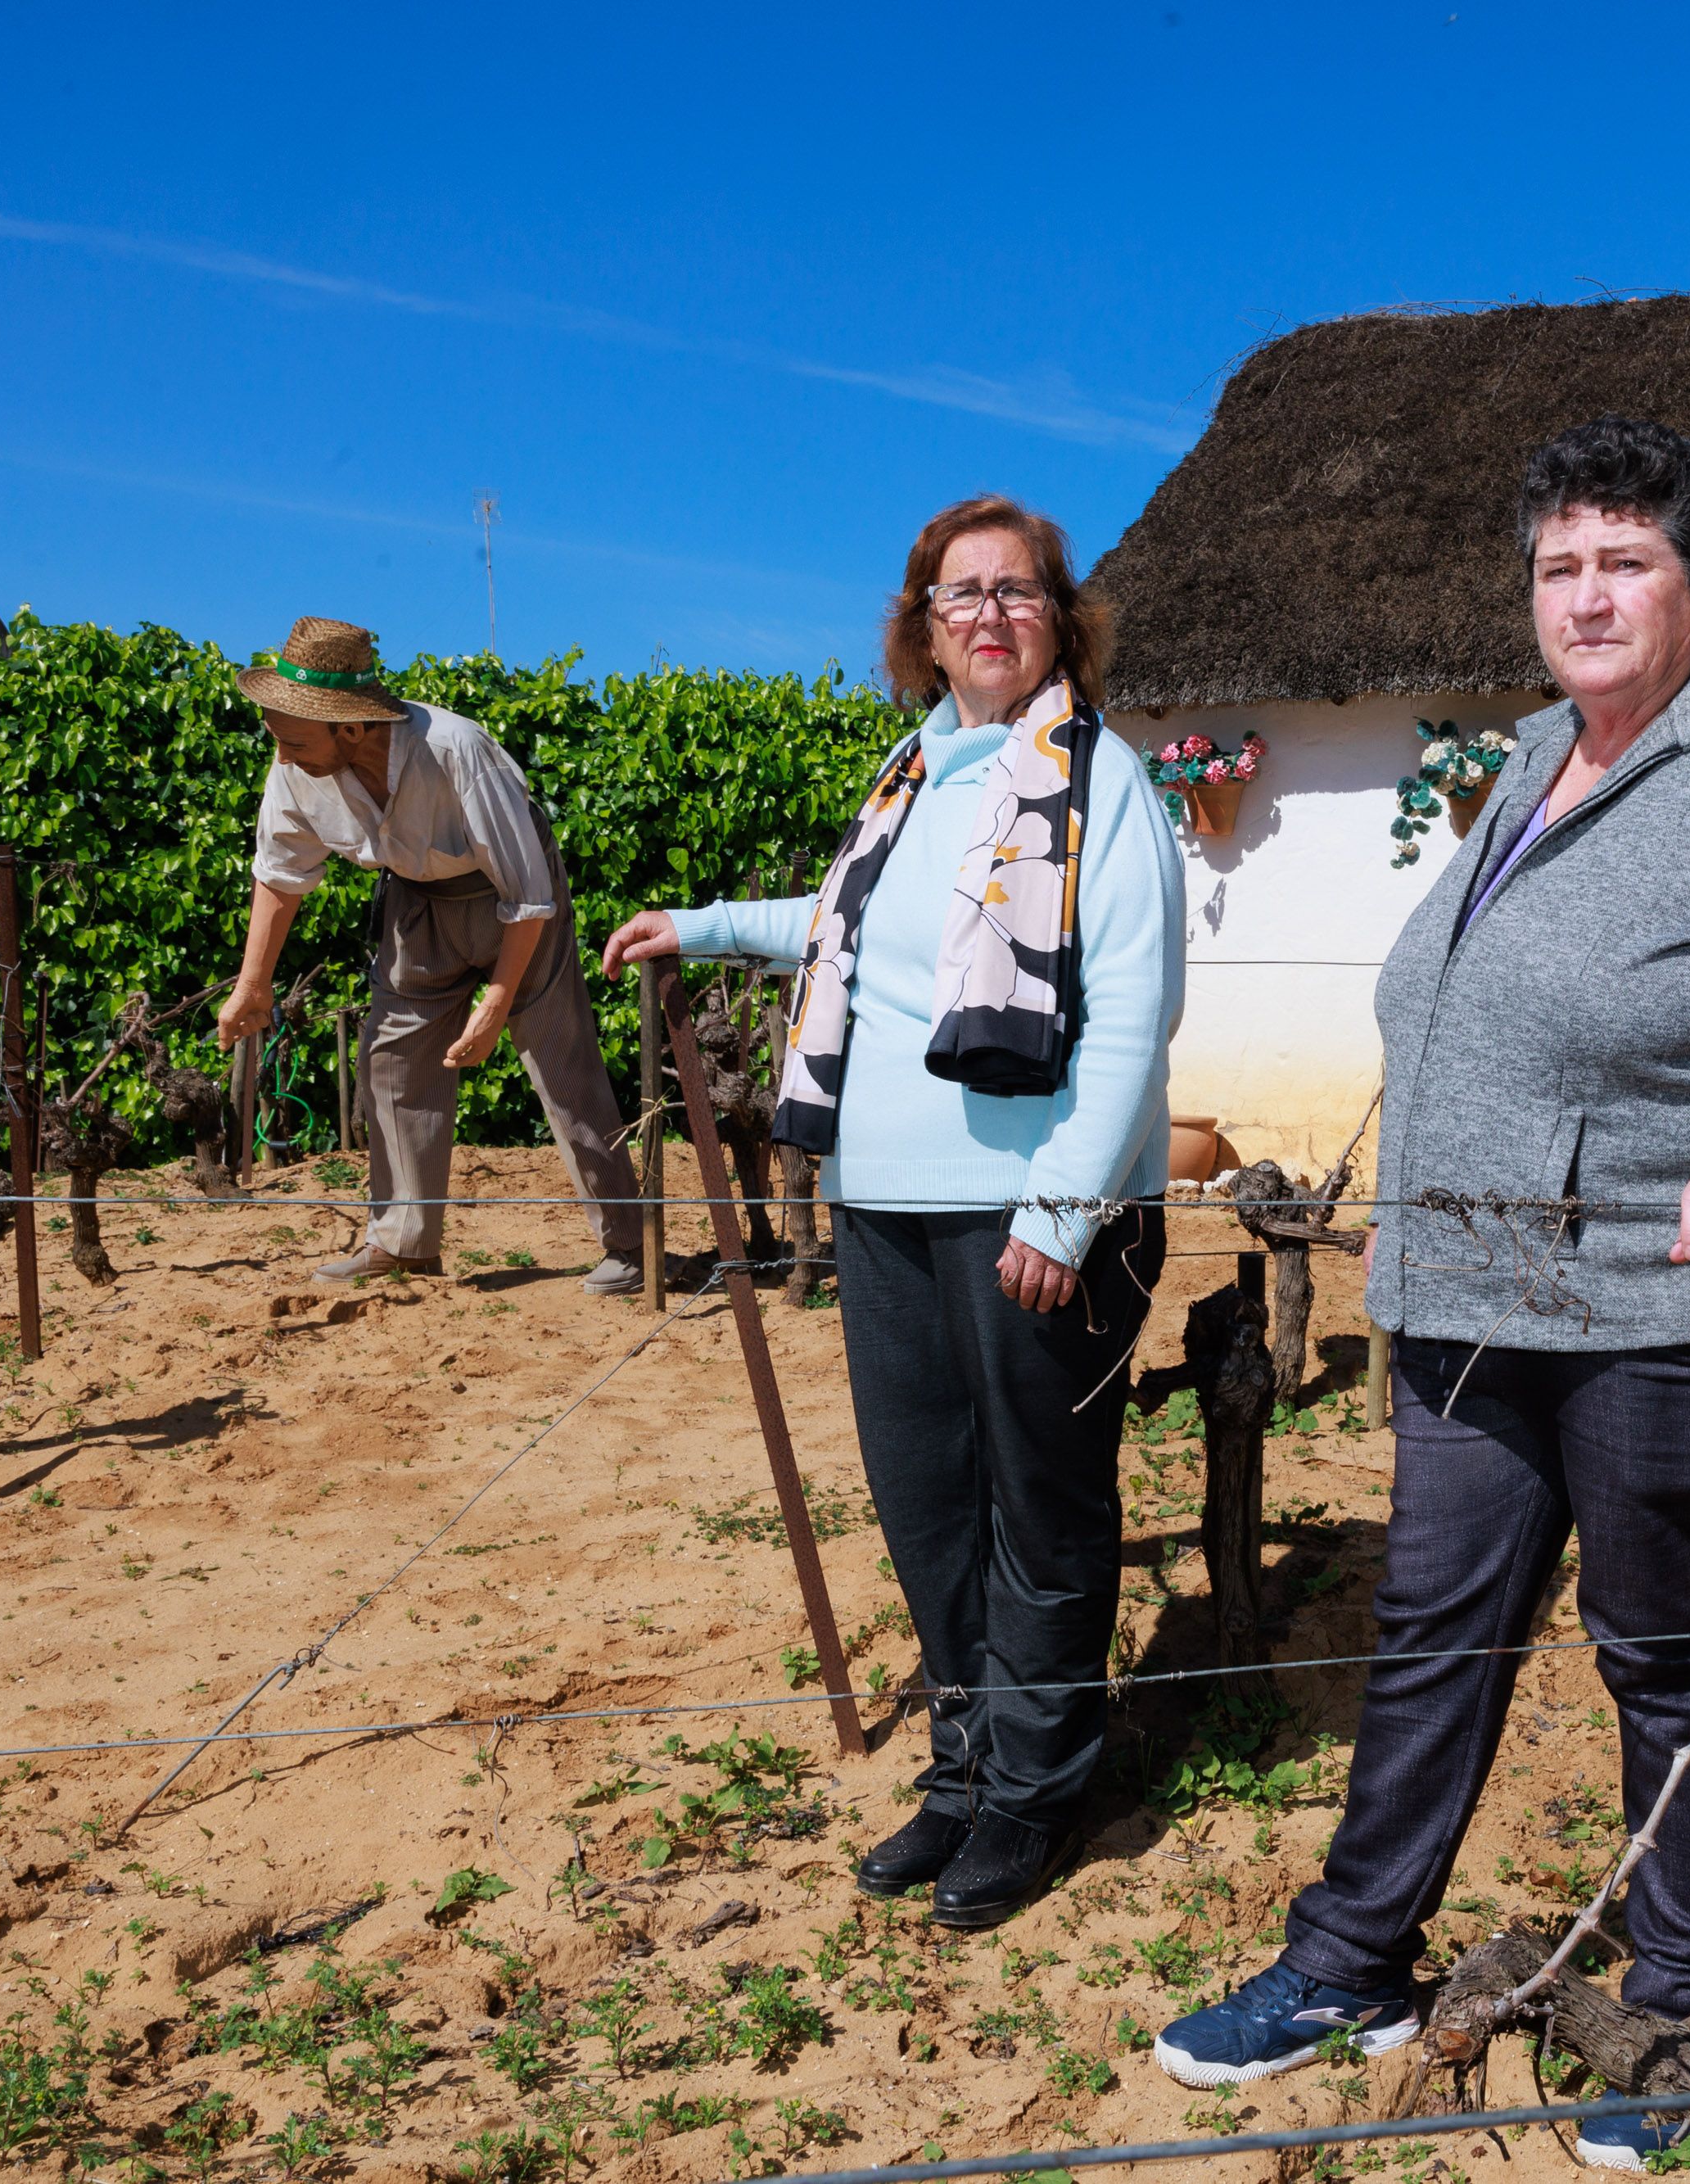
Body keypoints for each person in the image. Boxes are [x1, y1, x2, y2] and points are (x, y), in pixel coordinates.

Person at [1155, 418, 1690, 2168]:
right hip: (1468, 1284)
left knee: (1663, 1655)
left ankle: (1684, 2003)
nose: (1583, 595)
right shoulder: (1530, 757)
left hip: (1660, 1292)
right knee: (1431, 1629)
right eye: (1556, 565)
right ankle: (1352, 1959)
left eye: (1625, 562)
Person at [599, 496, 1181, 1929]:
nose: (987, 614)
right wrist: (709, 924)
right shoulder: (914, 776)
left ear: (1061, 614)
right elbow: (852, 926)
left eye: (1015, 590)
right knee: (927, 1506)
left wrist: (1060, 1211)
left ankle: (1041, 1790)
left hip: (1036, 1220)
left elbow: (1131, 1019)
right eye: (957, 594)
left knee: (1038, 1510)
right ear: (923, 629)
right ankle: (968, 1765)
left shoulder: (1106, 787)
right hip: (885, 1207)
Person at [219, 616, 641, 1291]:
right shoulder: (292, 765)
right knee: (392, 1056)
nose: (283, 753)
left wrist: (498, 999)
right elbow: (280, 872)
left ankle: (631, 1245)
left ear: (351, 727)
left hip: (512, 895)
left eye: (296, 738)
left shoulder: (455, 749)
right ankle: (404, 1240)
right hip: (413, 896)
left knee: (561, 1057)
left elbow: (529, 894)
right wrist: (254, 983)